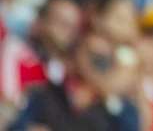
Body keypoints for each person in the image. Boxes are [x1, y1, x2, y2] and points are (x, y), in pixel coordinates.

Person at [11, 32, 140, 131]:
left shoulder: (117, 107)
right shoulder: (46, 94)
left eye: (103, 58)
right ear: (76, 54)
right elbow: (18, 126)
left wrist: (109, 93)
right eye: (92, 55)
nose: (97, 63)